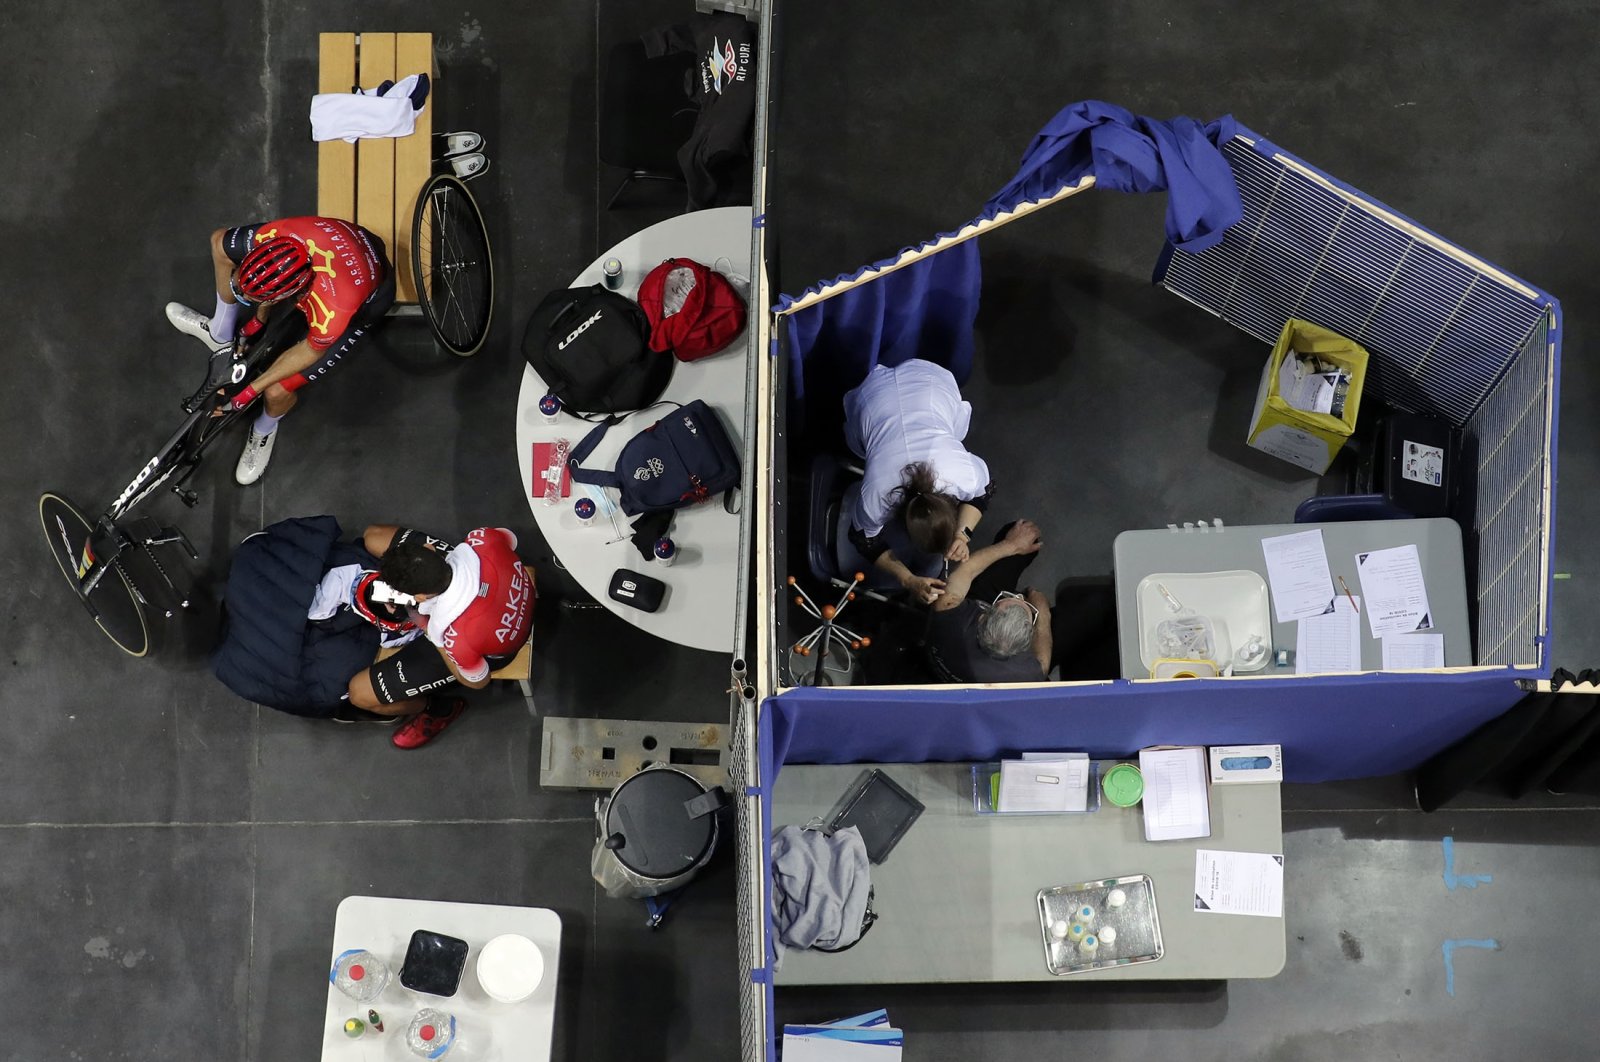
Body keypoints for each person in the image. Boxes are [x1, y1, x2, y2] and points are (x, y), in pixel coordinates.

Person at [165, 216, 396, 484]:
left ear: (293, 295)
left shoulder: (332, 310)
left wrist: (249, 393)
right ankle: (219, 332)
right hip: (338, 241)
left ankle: (265, 428)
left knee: (277, 391)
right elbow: (226, 246)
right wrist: (259, 318)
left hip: (369, 298)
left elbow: (311, 351)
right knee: (220, 243)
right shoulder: (278, 234)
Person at [344, 525, 536, 749]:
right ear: (430, 549)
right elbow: (510, 540)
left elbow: (478, 681)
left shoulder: (455, 640)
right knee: (373, 537)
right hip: (505, 591)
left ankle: (437, 709)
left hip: (491, 647)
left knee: (359, 694)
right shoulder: (481, 537)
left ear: (420, 596)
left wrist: (430, 632)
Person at [842, 360, 992, 605]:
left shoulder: (959, 473)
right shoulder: (876, 498)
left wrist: (963, 535)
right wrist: (908, 579)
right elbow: (864, 542)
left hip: (926, 386)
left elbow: (983, 492)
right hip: (882, 397)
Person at [924, 519, 1052, 683]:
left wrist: (1011, 544)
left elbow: (967, 570)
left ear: (983, 616)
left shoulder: (947, 610)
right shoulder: (1025, 674)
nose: (1017, 595)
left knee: (1014, 535)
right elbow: (1043, 664)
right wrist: (1043, 615)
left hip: (940, 659)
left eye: (1009, 597)